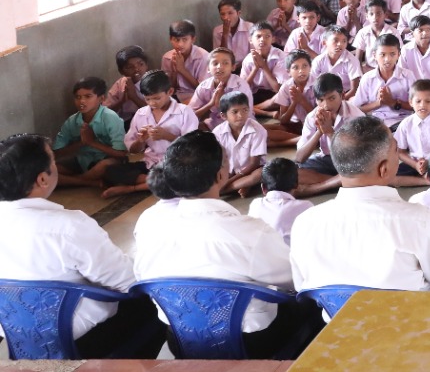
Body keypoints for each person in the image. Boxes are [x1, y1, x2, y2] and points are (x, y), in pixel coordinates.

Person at [132, 131, 322, 359]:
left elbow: (140, 277)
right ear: (221, 175)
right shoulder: (250, 233)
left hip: (181, 338)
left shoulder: (149, 228)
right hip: (251, 342)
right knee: (313, 302)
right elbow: (295, 278)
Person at [0, 133, 165, 359]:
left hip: (16, 334)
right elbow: (128, 282)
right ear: (42, 180)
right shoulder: (69, 226)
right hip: (76, 340)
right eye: (53, 162)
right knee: (155, 301)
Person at [289, 116, 430, 295]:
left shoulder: (305, 222)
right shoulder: (417, 219)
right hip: (407, 320)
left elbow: (301, 286)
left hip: (340, 321)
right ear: (384, 169)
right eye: (396, 150)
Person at [51, 77, 128, 189]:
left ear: (101, 98)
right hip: (83, 160)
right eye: (78, 97)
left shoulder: (110, 118)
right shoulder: (72, 121)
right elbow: (57, 152)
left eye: (88, 96)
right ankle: (89, 182)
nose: (82, 101)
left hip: (108, 159)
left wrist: (92, 142)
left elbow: (121, 153)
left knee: (105, 166)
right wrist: (82, 143)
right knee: (48, 171)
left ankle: (75, 180)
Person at [248, 158, 311, 245]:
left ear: (263, 188)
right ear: (296, 184)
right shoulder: (305, 207)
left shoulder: (255, 204)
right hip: (289, 257)